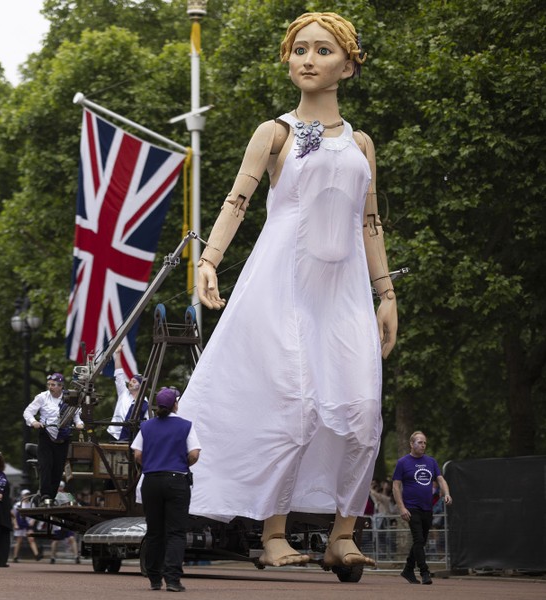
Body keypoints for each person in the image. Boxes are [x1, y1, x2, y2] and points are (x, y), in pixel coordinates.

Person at [177, 11, 396, 569]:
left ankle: (342, 536)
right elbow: (237, 201)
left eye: (323, 51)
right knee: (294, 407)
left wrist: (386, 294)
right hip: (282, 286)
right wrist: (209, 261)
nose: (308, 59)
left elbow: (369, 224)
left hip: (344, 294)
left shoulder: (361, 145)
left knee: (362, 408)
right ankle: (274, 536)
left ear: (349, 65)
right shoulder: (276, 133)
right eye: (300, 49)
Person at [132, 387, 201, 592]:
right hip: (176, 479)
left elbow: (137, 454)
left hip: (151, 480)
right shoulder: (185, 425)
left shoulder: (147, 426)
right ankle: (172, 579)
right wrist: (181, 463)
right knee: (176, 532)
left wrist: (152, 464)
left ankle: (154, 577)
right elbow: (195, 454)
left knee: (154, 531)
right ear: (175, 405)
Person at [392, 431, 452, 585]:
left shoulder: (431, 462)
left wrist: (447, 493)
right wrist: (401, 508)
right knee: (418, 539)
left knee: (421, 541)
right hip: (411, 507)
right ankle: (425, 572)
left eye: (424, 442)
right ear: (411, 444)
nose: (423, 445)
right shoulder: (403, 462)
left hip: (427, 508)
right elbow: (396, 486)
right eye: (419, 442)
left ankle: (407, 569)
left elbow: (440, 479)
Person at [23, 373, 84, 505]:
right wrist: (34, 422)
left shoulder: (70, 398)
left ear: (61, 386)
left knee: (57, 468)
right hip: (46, 434)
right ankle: (45, 495)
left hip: (63, 437)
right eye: (49, 384)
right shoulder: (42, 397)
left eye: (53, 385)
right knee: (46, 465)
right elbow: (28, 412)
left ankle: (52, 496)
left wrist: (79, 424)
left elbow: (76, 415)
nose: (50, 387)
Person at [108, 349, 147, 441]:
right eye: (130, 380)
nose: (130, 382)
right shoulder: (123, 392)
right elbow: (119, 374)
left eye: (134, 381)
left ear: (140, 386)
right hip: (114, 434)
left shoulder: (144, 402)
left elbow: (147, 422)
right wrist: (118, 354)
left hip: (131, 438)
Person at [11, 489, 42, 563]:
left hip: (28, 525)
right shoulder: (18, 504)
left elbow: (35, 514)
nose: (27, 496)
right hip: (20, 524)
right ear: (22, 496)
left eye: (28, 495)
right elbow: (13, 515)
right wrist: (15, 524)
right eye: (25, 495)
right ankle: (15, 556)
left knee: (31, 539)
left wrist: (33, 521)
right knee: (19, 540)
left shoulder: (32, 504)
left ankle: (37, 555)